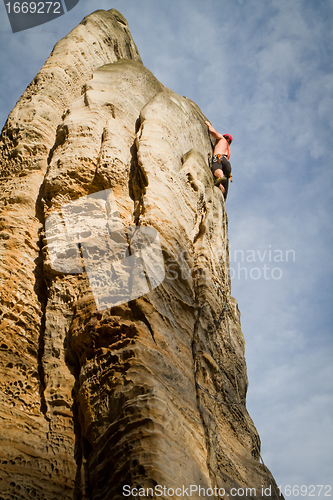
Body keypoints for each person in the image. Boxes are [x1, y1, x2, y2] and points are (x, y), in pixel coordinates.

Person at [205, 121, 233, 200]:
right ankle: (223, 192)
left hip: (219, 157)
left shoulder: (221, 138)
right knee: (225, 177)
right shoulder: (229, 150)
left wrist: (208, 125)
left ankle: (220, 177)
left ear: (225, 137)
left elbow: (213, 132)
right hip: (227, 163)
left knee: (216, 168)